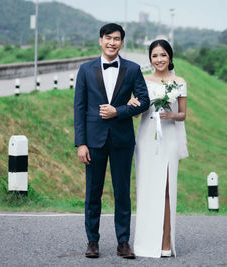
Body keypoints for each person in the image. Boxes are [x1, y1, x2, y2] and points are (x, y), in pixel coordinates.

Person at [74, 23, 150, 259]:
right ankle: (92, 241)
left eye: (117, 39)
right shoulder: (85, 69)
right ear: (100, 40)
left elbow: (145, 100)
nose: (112, 42)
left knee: (122, 193)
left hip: (122, 140)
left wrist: (118, 111)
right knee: (92, 193)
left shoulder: (133, 69)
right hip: (93, 141)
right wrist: (81, 143)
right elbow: (79, 108)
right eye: (108, 38)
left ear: (122, 42)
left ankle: (123, 242)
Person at [128, 39, 188, 258]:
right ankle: (145, 241)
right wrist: (133, 106)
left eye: (163, 55)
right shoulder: (142, 80)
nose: (159, 59)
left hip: (169, 136)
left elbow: (183, 114)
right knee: (146, 188)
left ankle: (165, 241)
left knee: (166, 189)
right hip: (146, 138)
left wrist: (171, 115)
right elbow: (136, 113)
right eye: (155, 55)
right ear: (150, 59)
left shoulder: (179, 82)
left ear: (170, 57)